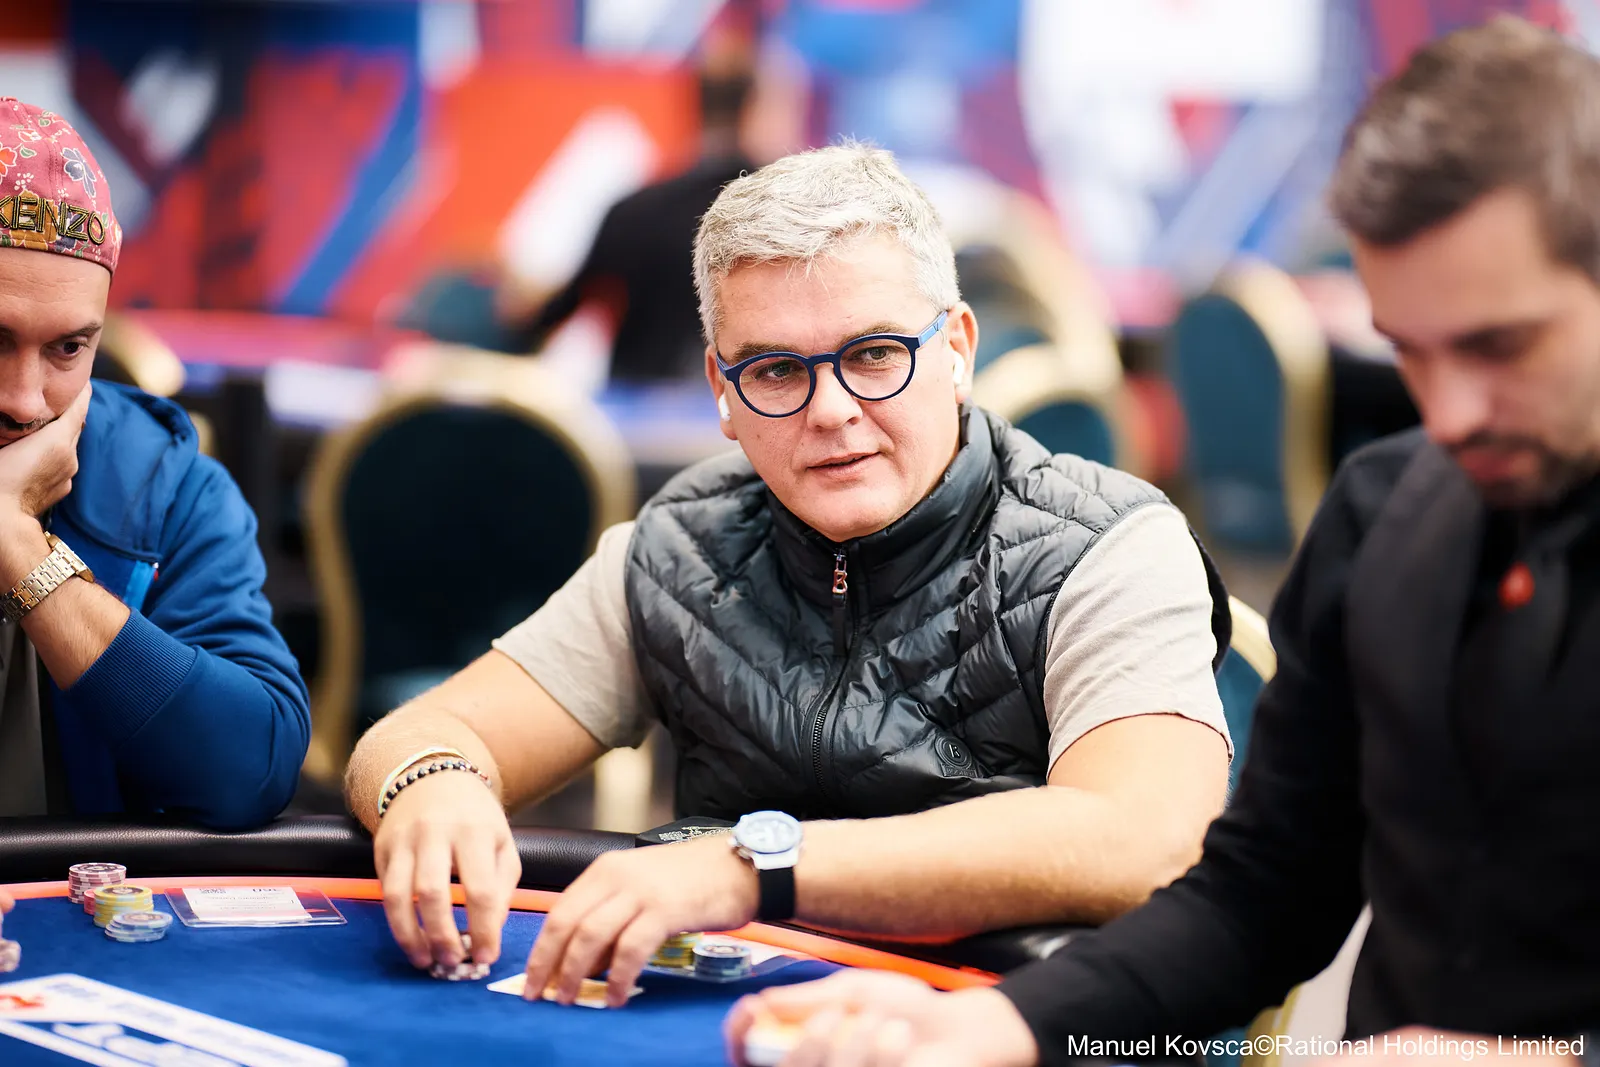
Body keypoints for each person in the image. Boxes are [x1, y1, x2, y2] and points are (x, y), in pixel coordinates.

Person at [724, 17, 1600, 1066]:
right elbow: (1258, 897)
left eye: (1501, 347)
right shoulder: (1383, 514)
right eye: (1408, 351)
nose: (1448, 413)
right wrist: (1000, 1020)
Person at [348, 142, 1234, 1008]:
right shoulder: (681, 548)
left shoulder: (1108, 545)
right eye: (775, 370)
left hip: (1004, 1025)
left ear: (958, 350)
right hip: (736, 1022)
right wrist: (431, 782)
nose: (833, 410)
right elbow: (427, 732)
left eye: (876, 353)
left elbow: (1144, 837)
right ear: (723, 390)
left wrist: (754, 866)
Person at [0, 98, 308, 829]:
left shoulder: (166, 486)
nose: (24, 400)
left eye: (67, 348)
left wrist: (19, 550)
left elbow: (250, 770)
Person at [502, 61, 760, 382]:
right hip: (741, 394)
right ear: (754, 109)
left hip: (637, 397)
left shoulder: (635, 210)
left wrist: (515, 313)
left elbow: (555, 312)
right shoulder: (777, 213)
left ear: (694, 106)